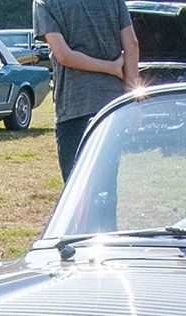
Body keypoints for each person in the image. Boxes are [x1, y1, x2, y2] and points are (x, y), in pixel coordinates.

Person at [33, 0, 139, 181]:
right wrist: (131, 98)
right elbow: (132, 44)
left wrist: (111, 68)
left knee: (77, 189)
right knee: (105, 185)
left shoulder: (44, 2)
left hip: (73, 108)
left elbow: (64, 56)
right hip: (112, 107)